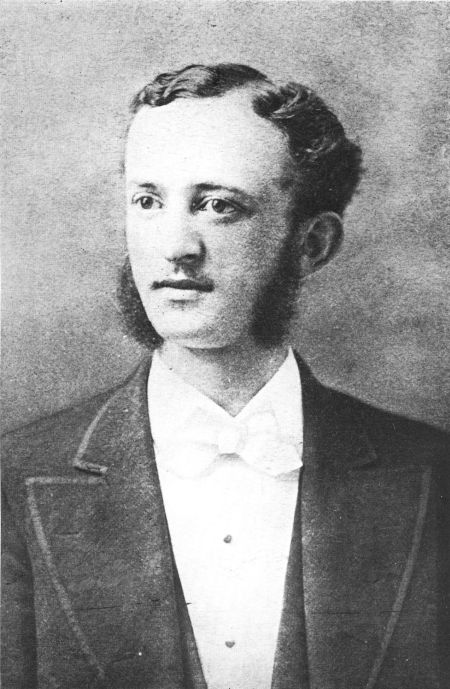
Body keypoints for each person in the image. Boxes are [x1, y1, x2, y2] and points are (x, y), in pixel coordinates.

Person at [2, 63, 448, 689]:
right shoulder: (14, 478)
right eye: (148, 201)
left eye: (218, 206)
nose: (176, 246)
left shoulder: (435, 475)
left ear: (312, 244)